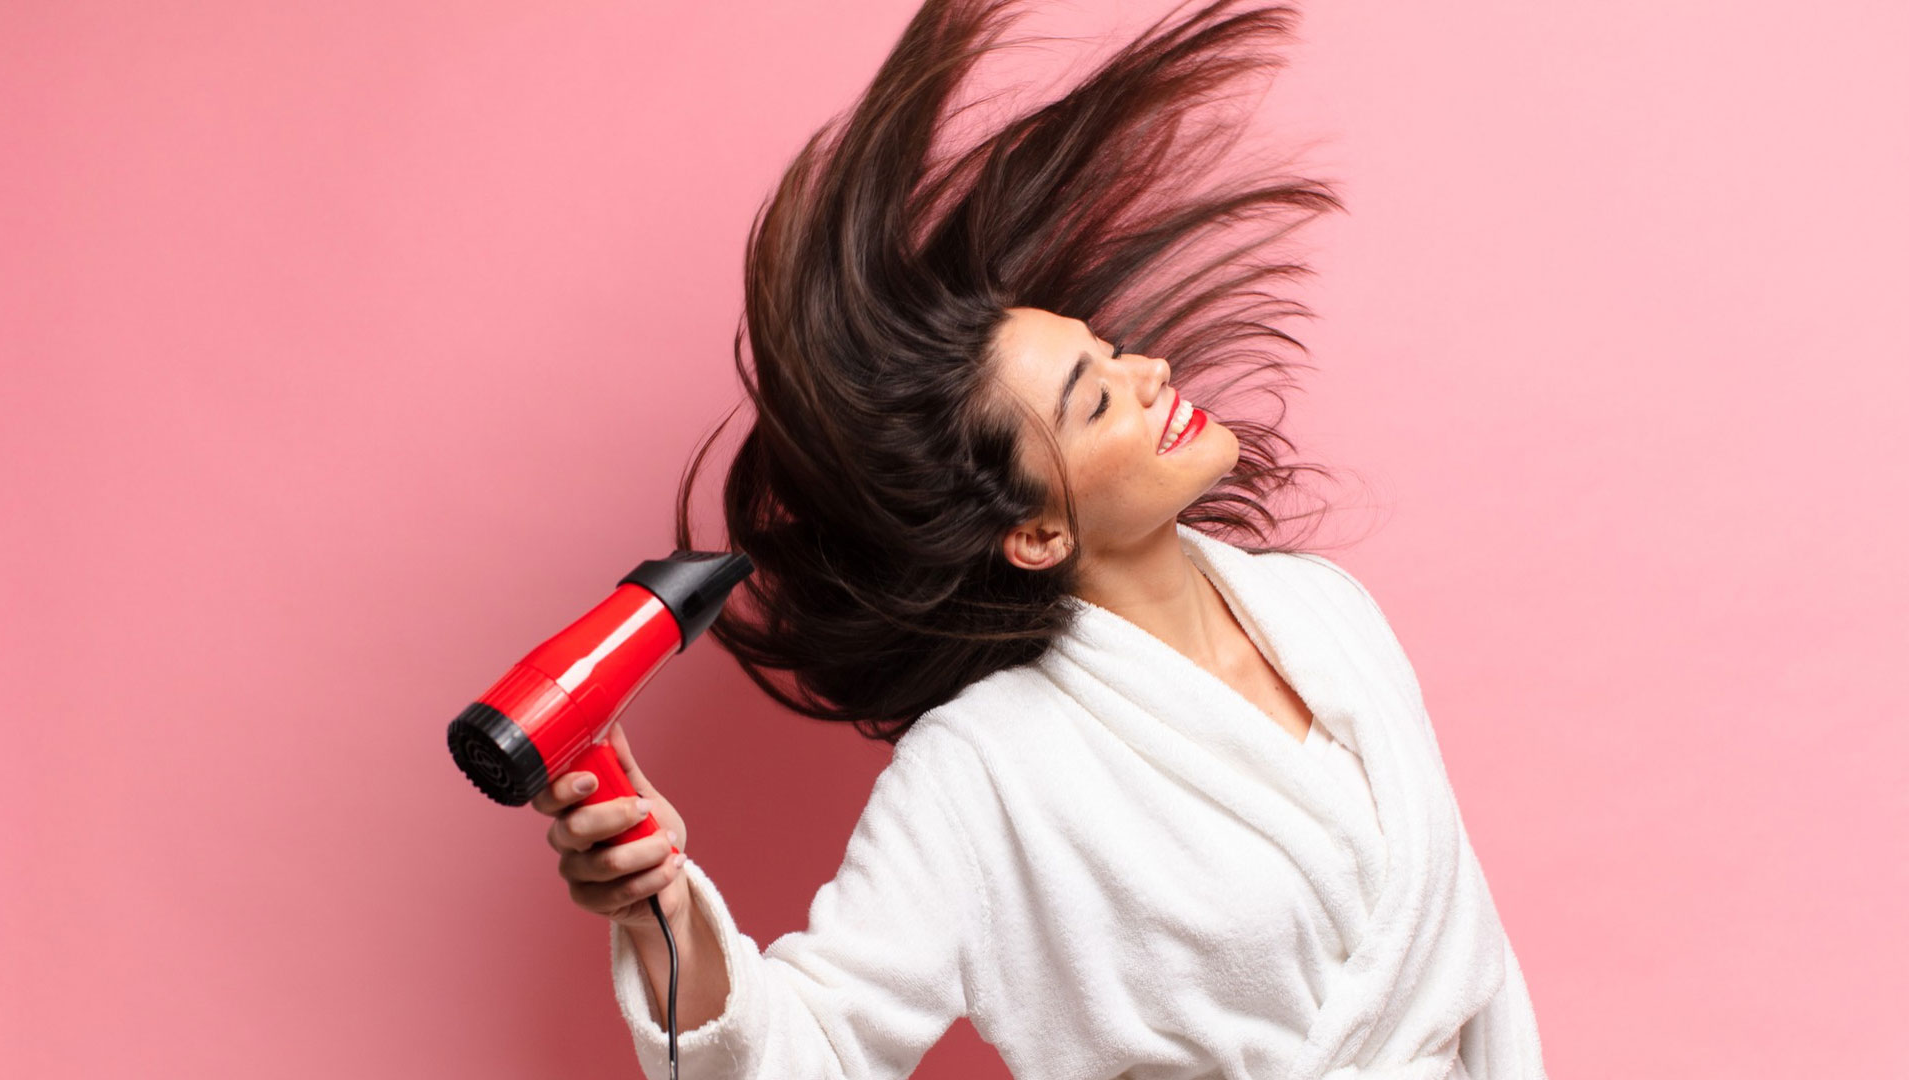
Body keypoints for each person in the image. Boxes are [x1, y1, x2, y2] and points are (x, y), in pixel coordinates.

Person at [534, 1, 1548, 1076]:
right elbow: (812, 1047)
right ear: (1035, 531)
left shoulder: (1328, 615)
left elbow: (1475, 959)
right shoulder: (982, 774)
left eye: (1111, 351)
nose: (1148, 372)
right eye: (1092, 399)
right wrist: (661, 913)